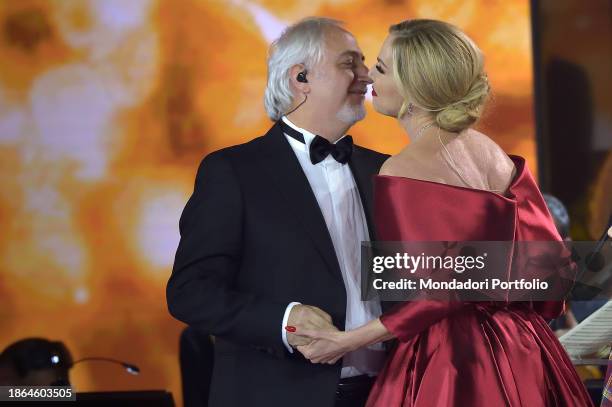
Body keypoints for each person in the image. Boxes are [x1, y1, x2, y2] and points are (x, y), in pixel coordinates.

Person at [290, 19, 593, 406]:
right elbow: (553, 270)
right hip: (527, 348)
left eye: (381, 69)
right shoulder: (494, 153)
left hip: (452, 360)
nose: (368, 78)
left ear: (414, 88)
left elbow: (432, 295)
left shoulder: (402, 169)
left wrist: (347, 340)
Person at [166, 17, 389, 407]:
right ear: (301, 77)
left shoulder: (387, 170)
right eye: (349, 63)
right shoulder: (233, 171)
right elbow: (190, 293)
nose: (365, 75)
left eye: (363, 63)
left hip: (390, 394)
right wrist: (285, 320)